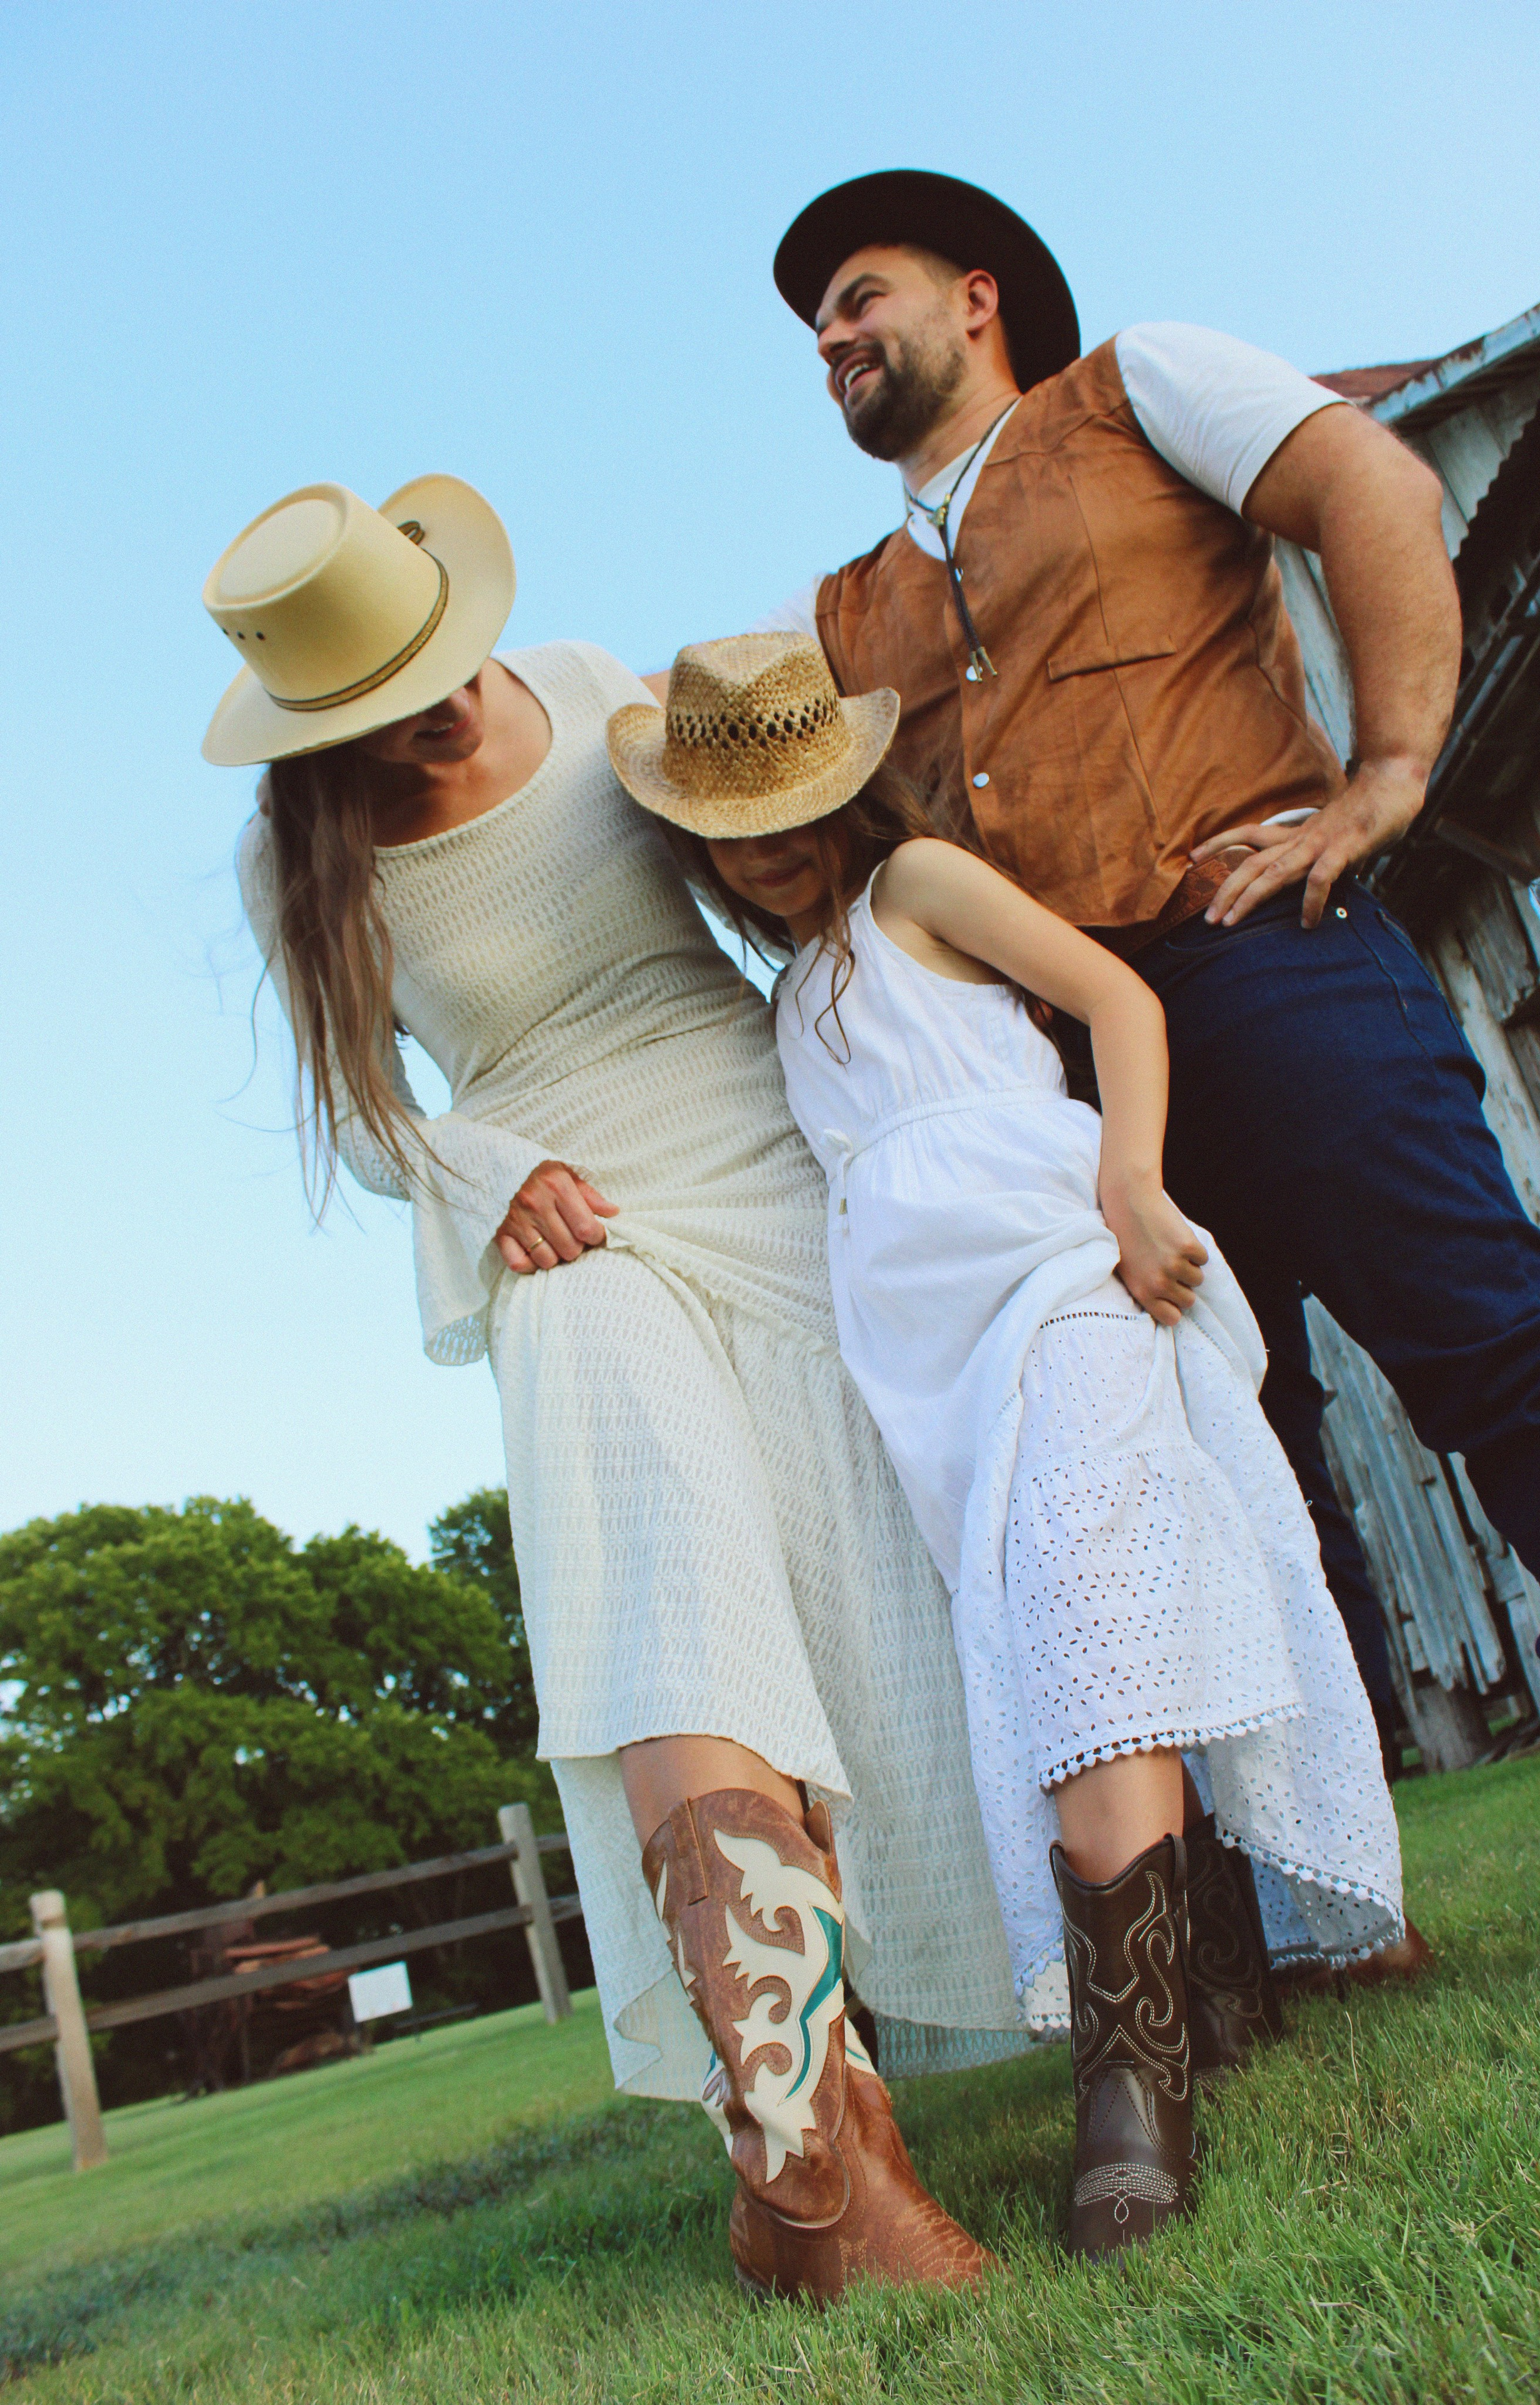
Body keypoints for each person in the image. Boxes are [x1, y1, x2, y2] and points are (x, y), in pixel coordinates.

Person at [205, 472, 1023, 2300]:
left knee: (886, 1563)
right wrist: (487, 1182)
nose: (432, 714)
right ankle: (821, 2153)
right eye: (372, 708)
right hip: (562, 1219)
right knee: (671, 1572)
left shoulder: (581, 679)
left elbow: (764, 861)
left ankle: (1105, 1968)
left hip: (756, 1141)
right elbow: (366, 1111)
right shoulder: (304, 858)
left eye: (435, 669)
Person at [728, 168, 1540, 1744]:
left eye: (857, 297)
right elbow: (733, 790)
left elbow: (1378, 496)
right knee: (1204, 1436)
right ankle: (1335, 1873)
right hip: (1062, 1061)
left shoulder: (1139, 385)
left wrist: (1390, 772)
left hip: (1264, 945)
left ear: (974, 295)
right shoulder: (830, 608)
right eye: (812, 323)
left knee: (1482, 1332)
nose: (828, 337)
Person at [608, 632, 1405, 2258]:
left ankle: (1138, 2086)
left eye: (787, 809)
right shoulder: (791, 996)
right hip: (929, 1366)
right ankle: (1215, 1966)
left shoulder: (915, 886)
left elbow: (1116, 998)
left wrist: (1133, 1189)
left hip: (1064, 1274)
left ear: (846, 786)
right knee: (1045, 1637)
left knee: (1088, 1608)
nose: (762, 850)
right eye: (727, 827)